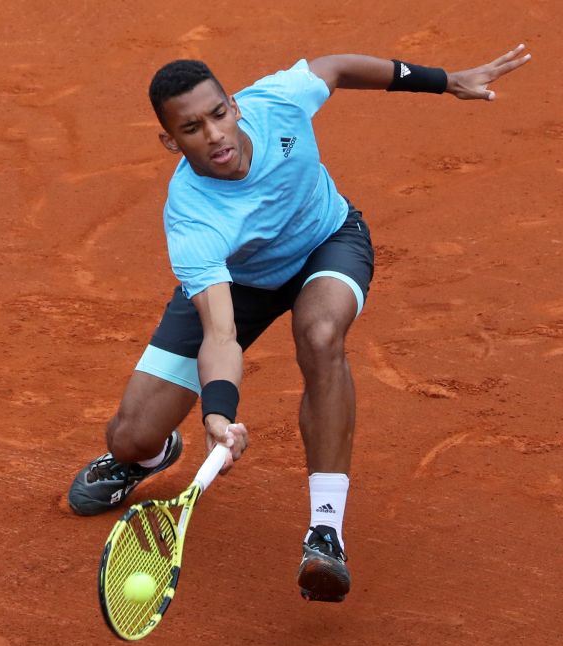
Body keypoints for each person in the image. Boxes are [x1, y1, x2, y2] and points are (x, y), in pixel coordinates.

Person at [68, 45, 532, 602]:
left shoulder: (279, 103)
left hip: (327, 245)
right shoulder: (192, 215)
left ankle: (325, 531)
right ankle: (149, 455)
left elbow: (337, 67)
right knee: (128, 434)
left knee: (320, 335)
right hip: (237, 283)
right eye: (192, 128)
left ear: (235, 106)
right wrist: (218, 414)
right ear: (171, 141)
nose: (214, 135)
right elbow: (220, 332)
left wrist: (444, 80)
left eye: (218, 114)